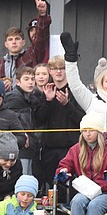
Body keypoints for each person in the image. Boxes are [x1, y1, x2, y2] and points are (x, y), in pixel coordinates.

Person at [30, 55, 82, 188]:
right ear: (50, 71)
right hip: (50, 150)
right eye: (55, 68)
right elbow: (38, 121)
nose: (59, 72)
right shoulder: (46, 91)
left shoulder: (76, 92)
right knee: (52, 184)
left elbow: (82, 120)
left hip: (71, 148)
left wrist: (67, 104)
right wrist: (47, 101)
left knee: (71, 185)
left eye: (62, 68)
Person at [0, 0, 52, 80]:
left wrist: (42, 14)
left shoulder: (31, 55)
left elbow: (40, 39)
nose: (14, 42)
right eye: (10, 39)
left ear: (23, 42)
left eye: (17, 39)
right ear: (6, 44)